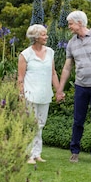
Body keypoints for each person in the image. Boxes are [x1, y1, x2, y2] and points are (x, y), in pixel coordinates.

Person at [56, 10, 91, 165]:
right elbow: (67, 68)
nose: (69, 27)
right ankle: (74, 152)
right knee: (78, 120)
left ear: (80, 23)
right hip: (81, 87)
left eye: (71, 24)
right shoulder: (72, 43)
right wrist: (60, 89)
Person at [18, 24, 60, 164]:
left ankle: (37, 154)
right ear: (35, 37)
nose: (46, 37)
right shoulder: (25, 55)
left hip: (45, 95)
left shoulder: (50, 52)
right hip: (30, 95)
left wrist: (58, 90)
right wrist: (21, 96)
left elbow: (53, 73)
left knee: (40, 125)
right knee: (31, 124)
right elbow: (20, 79)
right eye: (43, 34)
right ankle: (28, 154)